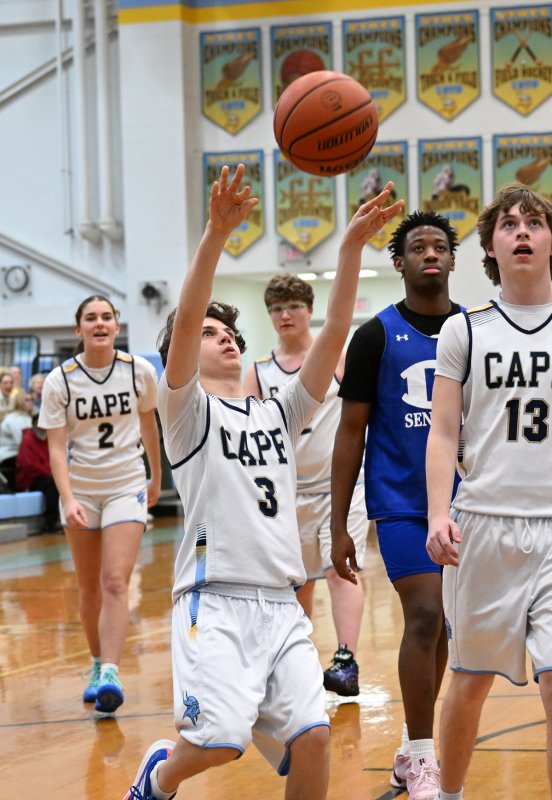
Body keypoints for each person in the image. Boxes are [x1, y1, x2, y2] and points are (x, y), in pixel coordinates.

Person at [121, 163, 403, 800]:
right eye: (211, 334)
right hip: (213, 598)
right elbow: (187, 318)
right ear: (185, 354)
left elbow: (333, 334)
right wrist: (216, 235)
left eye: (230, 332)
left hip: (280, 601)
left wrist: (352, 247)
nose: (224, 339)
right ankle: (158, 778)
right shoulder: (185, 410)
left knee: (314, 737)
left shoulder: (279, 411)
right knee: (219, 741)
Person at [426, 183, 552, 800]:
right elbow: (444, 430)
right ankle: (448, 794)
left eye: (534, 222)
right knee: (469, 681)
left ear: (551, 241)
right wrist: (436, 514)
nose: (522, 231)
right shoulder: (464, 332)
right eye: (509, 224)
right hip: (484, 525)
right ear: (491, 247)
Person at [330, 209, 461, 800]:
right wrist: (339, 524)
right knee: (426, 616)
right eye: (418, 246)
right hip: (401, 505)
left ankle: (412, 750)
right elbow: (350, 431)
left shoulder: (475, 329)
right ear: (400, 262)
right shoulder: (376, 335)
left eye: (439, 245)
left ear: (454, 261)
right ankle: (427, 759)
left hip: (466, 505)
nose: (429, 253)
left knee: (443, 632)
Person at [243, 273, 368, 697]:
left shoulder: (335, 357)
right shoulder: (258, 372)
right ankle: (300, 663)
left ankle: (346, 659)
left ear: (310, 310)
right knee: (298, 581)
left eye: (292, 306)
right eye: (276, 309)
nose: (284, 316)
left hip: (340, 484)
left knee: (341, 570)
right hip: (285, 492)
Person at [38, 295, 162, 714]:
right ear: (79, 330)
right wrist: (68, 498)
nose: (99, 323)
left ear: (116, 326)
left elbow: (150, 427)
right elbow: (56, 449)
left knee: (115, 581)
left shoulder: (139, 371)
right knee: (89, 586)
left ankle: (111, 670)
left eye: (107, 317)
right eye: (91, 318)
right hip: (82, 489)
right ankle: (95, 663)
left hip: (126, 484)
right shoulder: (61, 379)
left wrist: (156, 477)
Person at [16, 413, 61, 532]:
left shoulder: (48, 439)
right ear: (34, 425)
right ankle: (50, 522)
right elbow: (29, 466)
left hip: (46, 475)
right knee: (52, 484)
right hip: (30, 480)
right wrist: (52, 473)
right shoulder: (28, 439)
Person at [0, 388, 34, 489]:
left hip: (18, 455)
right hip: (8, 456)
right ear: (19, 402)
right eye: (27, 400)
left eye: (31, 399)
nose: (31, 402)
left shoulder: (26, 417)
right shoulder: (14, 418)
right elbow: (22, 443)